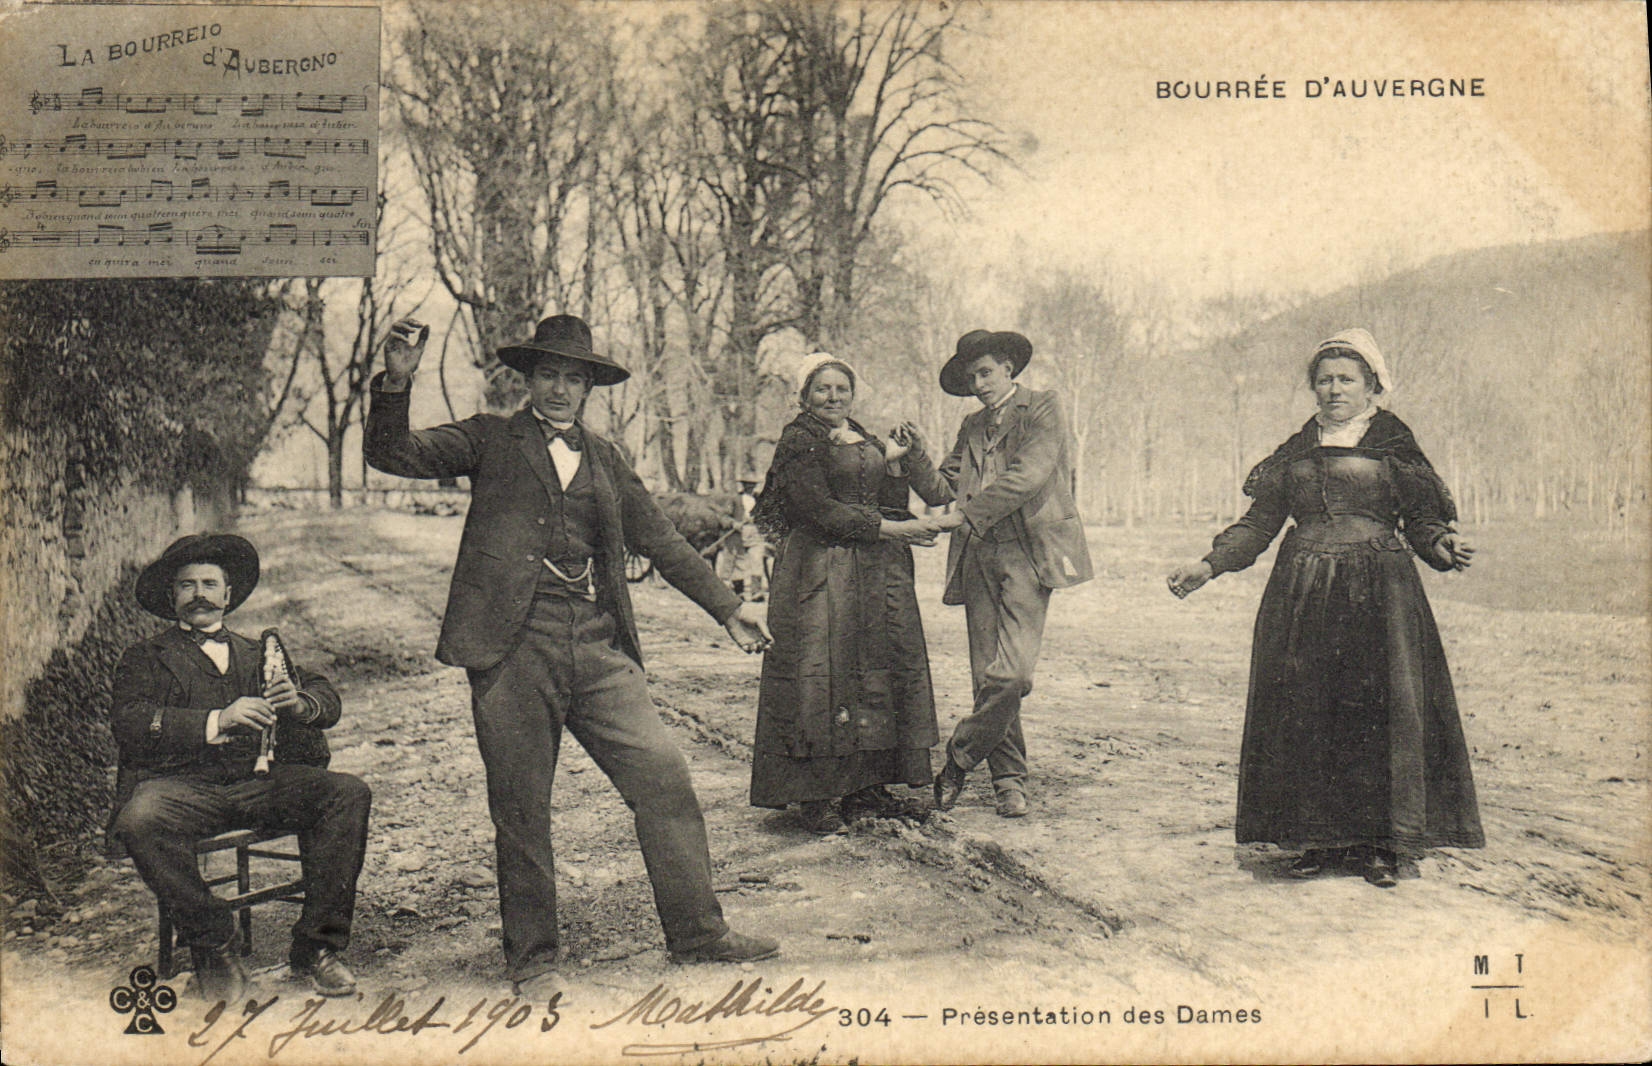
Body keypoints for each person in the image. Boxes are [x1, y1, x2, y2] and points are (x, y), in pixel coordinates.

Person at [364, 314, 780, 997]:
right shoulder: (490, 438)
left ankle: (699, 934)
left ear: (591, 387)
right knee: (523, 806)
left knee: (664, 776)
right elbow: (395, 454)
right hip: (512, 647)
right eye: (549, 374)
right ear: (529, 379)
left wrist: (729, 607)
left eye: (574, 377)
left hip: (595, 640)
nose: (560, 388)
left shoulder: (607, 459)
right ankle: (533, 961)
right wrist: (396, 382)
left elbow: (665, 542)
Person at [1165, 328, 1483, 888]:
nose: (1334, 390)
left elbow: (1422, 521)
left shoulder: (1393, 443)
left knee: (1377, 709)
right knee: (1307, 709)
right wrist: (1208, 565)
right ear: (1313, 387)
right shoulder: (1297, 450)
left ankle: (1380, 844)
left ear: (1372, 385)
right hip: (1302, 590)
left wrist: (1441, 546)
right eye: (1325, 380)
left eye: (1346, 380)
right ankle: (1316, 840)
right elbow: (1260, 523)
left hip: (1379, 588)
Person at [109, 534, 371, 1002]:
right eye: (187, 586)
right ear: (173, 598)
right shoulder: (144, 658)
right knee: (137, 819)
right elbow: (130, 723)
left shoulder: (260, 653)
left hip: (260, 784)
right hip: (184, 790)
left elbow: (326, 697)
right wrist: (215, 720)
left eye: (210, 583)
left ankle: (318, 948)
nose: (199, 594)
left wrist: (300, 701)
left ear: (229, 595)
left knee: (347, 793)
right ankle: (214, 944)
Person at [749, 353, 948, 833]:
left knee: (873, 668)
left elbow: (887, 503)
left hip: (873, 572)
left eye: (842, 388)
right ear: (804, 396)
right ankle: (813, 795)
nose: (833, 397)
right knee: (820, 671)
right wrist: (892, 530)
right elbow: (814, 508)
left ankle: (867, 788)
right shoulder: (798, 441)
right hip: (817, 569)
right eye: (823, 389)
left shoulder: (863, 436)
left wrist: (896, 467)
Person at [904, 330, 1094, 818]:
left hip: (1028, 553)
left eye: (985, 372)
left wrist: (963, 516)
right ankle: (1009, 780)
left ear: (1008, 367)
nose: (979, 384)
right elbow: (943, 488)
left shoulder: (1044, 408)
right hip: (977, 556)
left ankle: (960, 758)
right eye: (971, 379)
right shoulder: (971, 426)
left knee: (1012, 674)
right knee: (985, 673)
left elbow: (1028, 476)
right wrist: (916, 455)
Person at [735, 469, 768, 603]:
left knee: (756, 562)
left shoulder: (759, 499)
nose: (750, 487)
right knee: (739, 563)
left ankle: (756, 593)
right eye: (747, 484)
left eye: (752, 484)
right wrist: (733, 523)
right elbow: (723, 516)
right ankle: (739, 593)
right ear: (743, 485)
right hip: (739, 533)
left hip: (755, 533)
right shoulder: (736, 499)